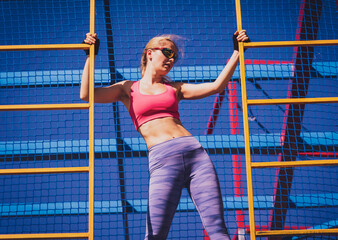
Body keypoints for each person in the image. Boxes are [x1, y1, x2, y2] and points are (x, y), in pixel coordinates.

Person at [80, 30, 249, 240]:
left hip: (196, 156)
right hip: (163, 160)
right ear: (150, 53)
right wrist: (91, 55)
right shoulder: (128, 89)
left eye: (174, 56)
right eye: (167, 52)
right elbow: (87, 94)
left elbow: (216, 87)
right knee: (155, 234)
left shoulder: (174, 89)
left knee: (217, 228)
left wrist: (237, 52)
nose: (171, 59)